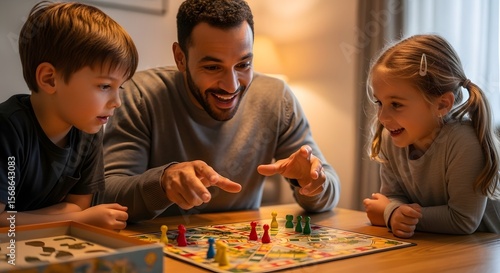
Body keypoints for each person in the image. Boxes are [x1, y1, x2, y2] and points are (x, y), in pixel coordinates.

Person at [101, 0, 340, 222]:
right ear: (180, 58)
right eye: (213, 67)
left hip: (244, 255)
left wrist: (312, 183)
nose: (232, 85)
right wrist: (163, 182)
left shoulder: (277, 97)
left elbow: (328, 188)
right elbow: (107, 193)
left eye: (243, 65)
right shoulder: (140, 95)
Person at [0, 1, 139, 229]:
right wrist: (74, 218)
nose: (117, 102)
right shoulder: (8, 129)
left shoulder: (89, 129)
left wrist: (74, 214)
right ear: (49, 79)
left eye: (120, 87)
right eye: (105, 86)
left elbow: (79, 205)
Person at [362, 34, 500, 238]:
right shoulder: (391, 138)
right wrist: (392, 211)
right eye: (379, 103)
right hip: (441, 248)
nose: (382, 117)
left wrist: (390, 212)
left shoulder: (464, 142)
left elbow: (463, 219)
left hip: (484, 253)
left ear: (442, 104)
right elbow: (393, 197)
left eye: (396, 104)